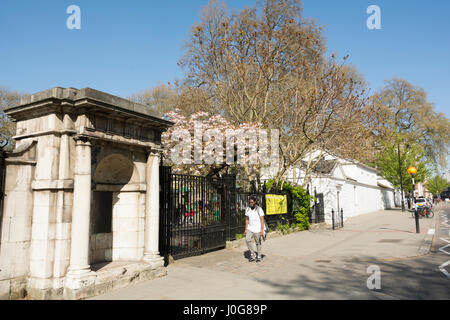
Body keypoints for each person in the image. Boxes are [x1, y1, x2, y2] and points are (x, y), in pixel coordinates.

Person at [244, 196, 265, 262]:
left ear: (255, 202)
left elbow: (262, 220)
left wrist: (261, 230)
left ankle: (259, 256)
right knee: (247, 240)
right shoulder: (247, 209)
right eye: (250, 202)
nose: (251, 203)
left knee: (258, 242)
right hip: (250, 228)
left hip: (257, 229)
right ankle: (253, 254)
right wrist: (245, 229)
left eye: (252, 202)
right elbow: (247, 219)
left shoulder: (259, 209)